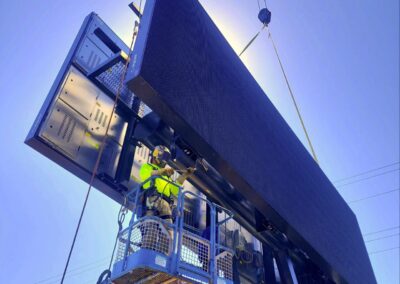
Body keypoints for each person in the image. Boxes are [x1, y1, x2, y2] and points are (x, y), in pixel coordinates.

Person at [139, 145, 195, 223]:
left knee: (169, 231)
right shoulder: (147, 166)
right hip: (151, 201)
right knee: (150, 228)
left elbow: (175, 189)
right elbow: (148, 174)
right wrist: (163, 171)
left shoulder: (166, 177)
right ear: (156, 155)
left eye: (166, 157)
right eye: (163, 156)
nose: (164, 160)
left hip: (166, 205)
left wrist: (185, 175)